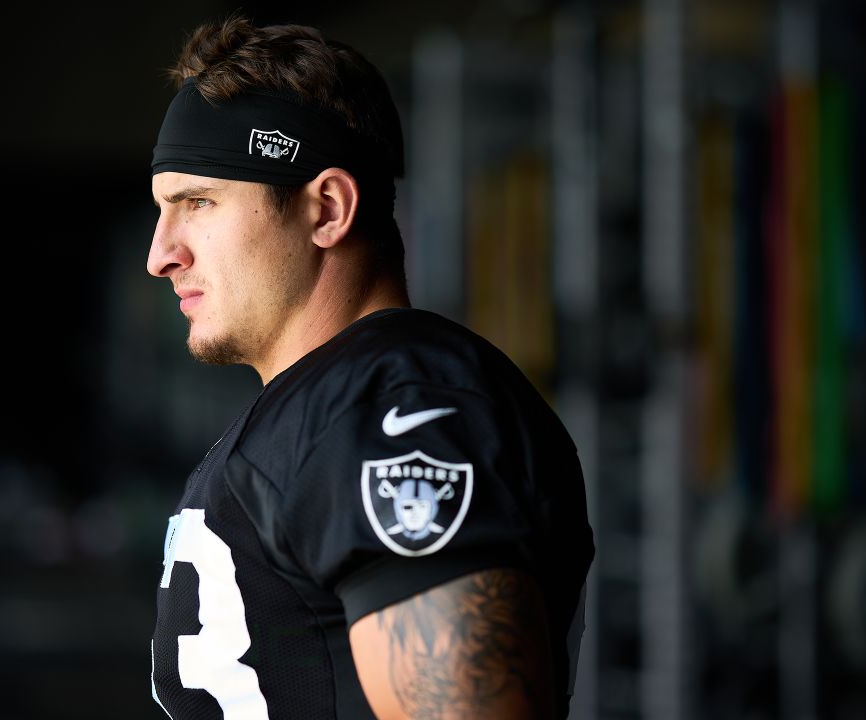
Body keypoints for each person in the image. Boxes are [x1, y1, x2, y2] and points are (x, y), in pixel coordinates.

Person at [144, 14, 595, 719]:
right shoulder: (322, 406)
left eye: (196, 203)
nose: (161, 253)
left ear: (326, 208)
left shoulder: (388, 407)